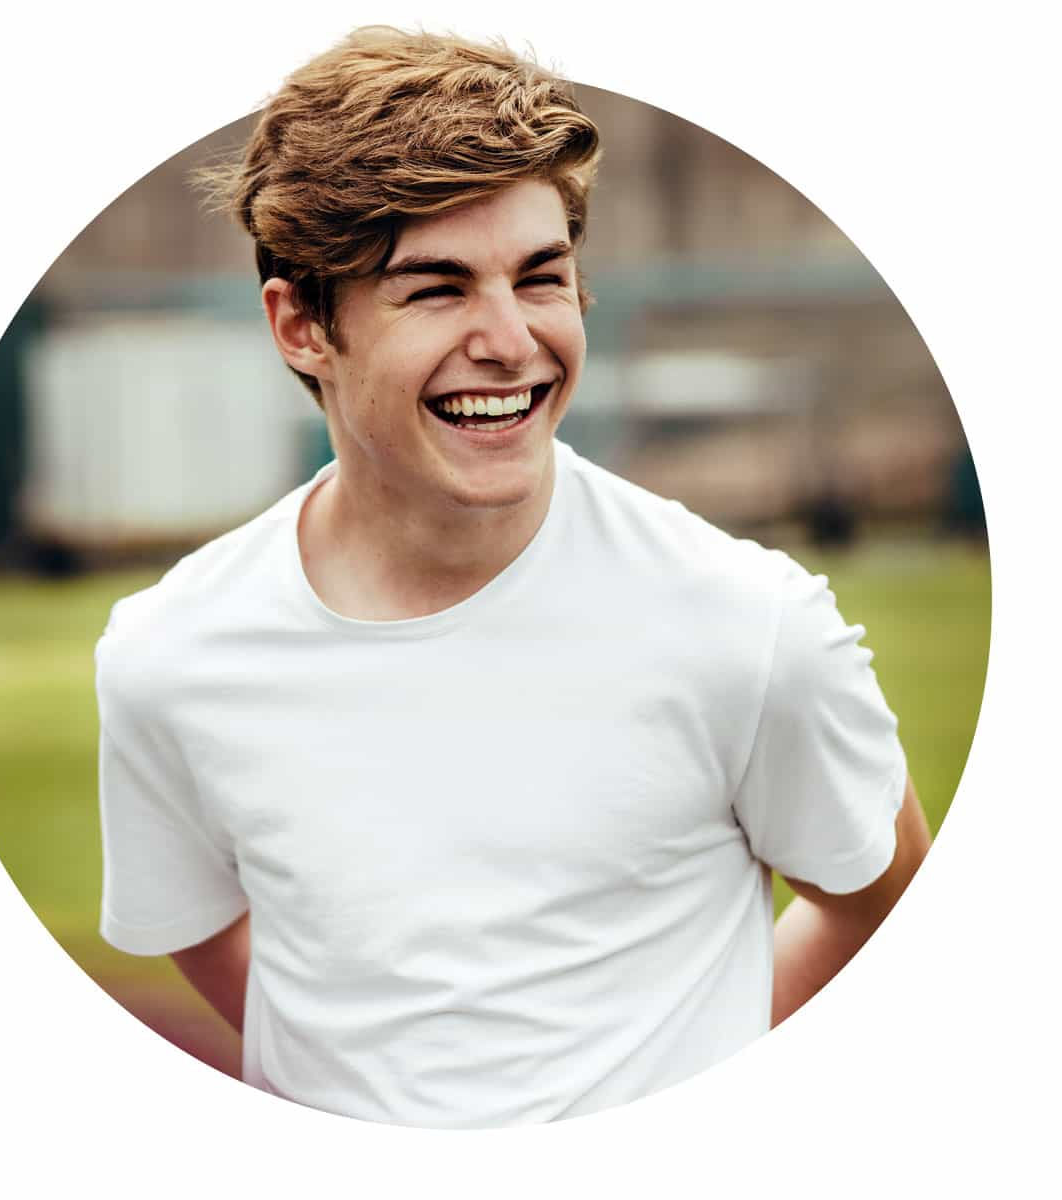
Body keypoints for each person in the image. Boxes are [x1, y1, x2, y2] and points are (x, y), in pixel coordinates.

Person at [95, 25, 931, 1128]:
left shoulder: (747, 625)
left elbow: (889, 905)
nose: (511, 340)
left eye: (541, 277)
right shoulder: (168, 658)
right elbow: (198, 928)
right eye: (435, 290)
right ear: (302, 325)